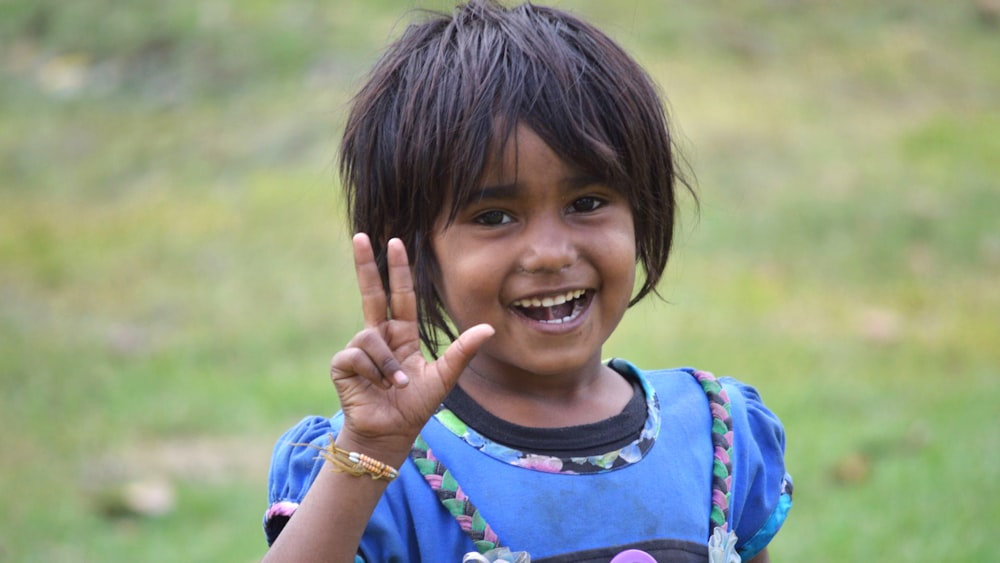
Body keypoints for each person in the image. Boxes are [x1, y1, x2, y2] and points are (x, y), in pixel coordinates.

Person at [262, 1, 792, 561]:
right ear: (418, 249)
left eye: (587, 203)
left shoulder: (717, 437)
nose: (548, 254)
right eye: (494, 217)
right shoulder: (387, 465)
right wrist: (368, 453)